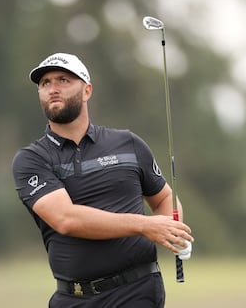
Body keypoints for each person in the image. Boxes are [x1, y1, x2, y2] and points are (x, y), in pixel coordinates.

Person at [12, 52, 193, 308]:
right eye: (45, 83)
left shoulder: (128, 144)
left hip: (137, 291)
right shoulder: (31, 159)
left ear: (87, 91)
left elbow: (163, 197)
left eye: (63, 80)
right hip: (73, 298)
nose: (53, 89)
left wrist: (172, 231)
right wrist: (144, 225)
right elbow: (65, 219)